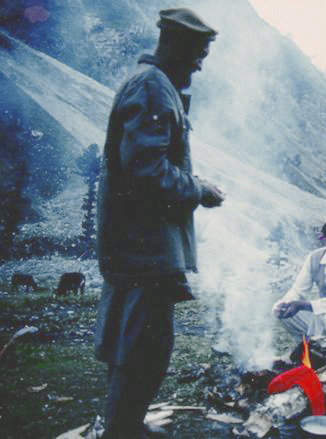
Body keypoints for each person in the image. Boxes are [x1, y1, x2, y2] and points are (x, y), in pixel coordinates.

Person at [94, 8, 224, 438]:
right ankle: (122, 430)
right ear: (174, 46)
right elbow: (145, 172)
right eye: (198, 53)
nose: (201, 63)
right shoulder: (151, 88)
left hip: (140, 248)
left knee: (140, 347)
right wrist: (198, 189)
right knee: (142, 350)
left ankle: (126, 424)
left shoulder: (157, 87)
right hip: (142, 250)